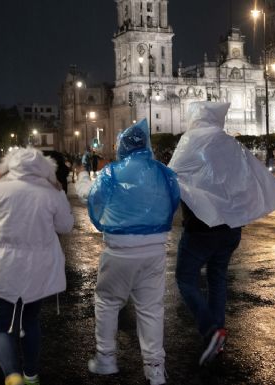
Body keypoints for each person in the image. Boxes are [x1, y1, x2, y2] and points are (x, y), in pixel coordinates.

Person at [168, 102, 275, 366]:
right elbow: (249, 178)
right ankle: (218, 334)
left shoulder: (190, 141)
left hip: (200, 229)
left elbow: (171, 177)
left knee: (185, 278)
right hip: (231, 228)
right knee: (217, 279)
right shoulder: (231, 144)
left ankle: (211, 330)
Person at [81, 119, 180, 385]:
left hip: (119, 249)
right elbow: (173, 202)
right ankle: (155, 368)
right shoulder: (162, 172)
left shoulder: (112, 172)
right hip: (155, 248)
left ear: (123, 146)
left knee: (108, 303)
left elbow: (95, 205)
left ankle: (106, 359)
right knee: (150, 309)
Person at [0, 147, 74, 385]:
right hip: (37, 270)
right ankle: (31, 373)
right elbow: (65, 226)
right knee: (31, 321)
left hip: (2, 268)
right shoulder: (50, 192)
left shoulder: (0, 188)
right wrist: (59, 192)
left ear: (9, 166)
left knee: (2, 328)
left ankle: (12, 375)